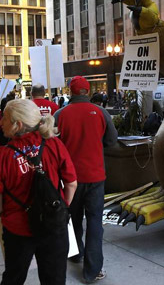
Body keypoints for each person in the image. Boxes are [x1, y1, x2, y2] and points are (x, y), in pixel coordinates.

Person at [0, 99, 77, 285]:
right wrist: (60, 209)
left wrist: (5, 213)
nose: (0, 122)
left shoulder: (1, 156)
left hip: (18, 229)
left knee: (14, 277)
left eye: (4, 118)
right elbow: (71, 183)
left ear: (18, 124)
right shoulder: (55, 145)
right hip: (53, 226)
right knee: (55, 279)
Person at [54, 76, 118, 283]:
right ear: (87, 91)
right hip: (95, 176)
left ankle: (75, 253)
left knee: (72, 219)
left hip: (70, 179)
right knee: (94, 222)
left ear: (70, 91)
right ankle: (92, 271)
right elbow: (111, 140)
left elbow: (52, 145)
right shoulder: (101, 112)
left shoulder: (60, 114)